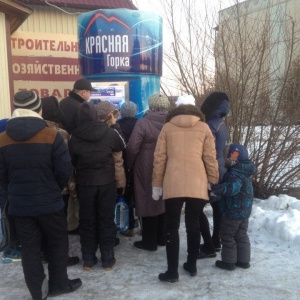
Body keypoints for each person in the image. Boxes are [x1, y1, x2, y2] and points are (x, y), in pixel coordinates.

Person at [0, 91, 82, 300]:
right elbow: (64, 168)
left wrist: (10, 195)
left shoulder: (3, 139)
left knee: (30, 247)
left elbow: (1, 175)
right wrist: (54, 189)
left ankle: (37, 291)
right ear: (39, 109)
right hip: (49, 203)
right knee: (57, 242)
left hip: (20, 205)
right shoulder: (51, 135)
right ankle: (59, 284)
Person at [152, 95, 219, 282]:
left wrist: (156, 184)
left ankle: (171, 272)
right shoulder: (204, 127)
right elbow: (210, 158)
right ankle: (191, 264)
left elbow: (159, 159)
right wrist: (212, 179)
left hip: (172, 181)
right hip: (197, 181)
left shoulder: (167, 127)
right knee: (193, 225)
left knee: (171, 227)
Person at [68, 101, 126, 271]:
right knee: (106, 219)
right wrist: (115, 127)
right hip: (107, 183)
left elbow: (72, 159)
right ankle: (107, 259)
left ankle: (88, 259)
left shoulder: (74, 136)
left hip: (85, 184)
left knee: (87, 221)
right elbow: (122, 145)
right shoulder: (109, 132)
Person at [126, 94, 170, 251]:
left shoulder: (143, 123)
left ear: (150, 106)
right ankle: (162, 237)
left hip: (146, 165)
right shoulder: (171, 123)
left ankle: (149, 242)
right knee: (163, 199)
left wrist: (129, 165)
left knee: (147, 199)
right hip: (167, 165)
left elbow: (132, 147)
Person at [41, 96, 80, 266]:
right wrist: (72, 189)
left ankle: (44, 253)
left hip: (40, 187)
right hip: (58, 188)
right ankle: (61, 257)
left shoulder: (36, 131)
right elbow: (66, 165)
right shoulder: (60, 133)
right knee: (59, 225)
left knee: (42, 224)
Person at [210, 144, 256, 270]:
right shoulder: (244, 170)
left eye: (226, 157)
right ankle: (243, 261)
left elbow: (232, 188)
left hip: (232, 212)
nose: (224, 159)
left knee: (227, 236)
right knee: (241, 235)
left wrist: (216, 189)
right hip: (244, 212)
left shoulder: (235, 174)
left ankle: (229, 262)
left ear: (233, 157)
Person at [198, 92, 230, 258]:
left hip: (210, 168)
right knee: (217, 207)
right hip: (220, 167)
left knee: (197, 206)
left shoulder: (209, 125)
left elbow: (206, 152)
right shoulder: (221, 124)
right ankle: (216, 240)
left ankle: (209, 245)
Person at [117, 101, 139, 237]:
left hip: (123, 163)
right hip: (139, 163)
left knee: (126, 196)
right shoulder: (140, 123)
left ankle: (128, 226)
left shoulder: (117, 125)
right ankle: (145, 226)